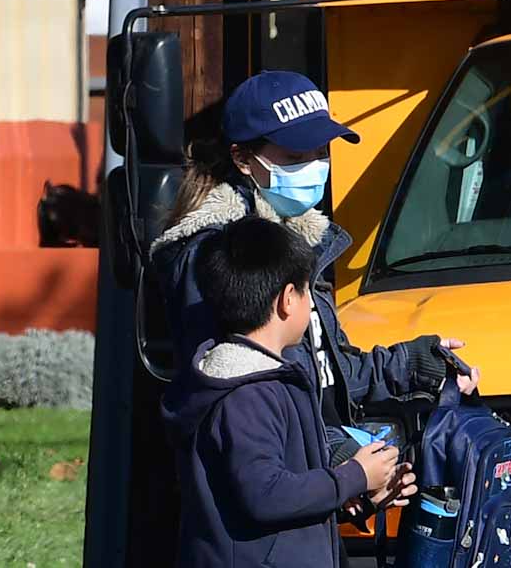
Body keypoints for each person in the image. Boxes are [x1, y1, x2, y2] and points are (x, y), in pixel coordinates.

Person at [150, 71, 480, 484]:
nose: (314, 166)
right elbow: (235, 402)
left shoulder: (301, 237)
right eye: (295, 156)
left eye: (322, 152)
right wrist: (338, 458)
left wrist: (418, 363)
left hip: (320, 487)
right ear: (242, 159)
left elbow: (329, 370)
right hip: (272, 505)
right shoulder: (218, 258)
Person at [162, 216, 416, 568]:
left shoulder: (265, 382)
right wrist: (353, 475)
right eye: (307, 290)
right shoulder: (247, 394)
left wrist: (359, 495)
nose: (311, 303)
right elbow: (265, 495)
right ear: (286, 300)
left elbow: (282, 501)